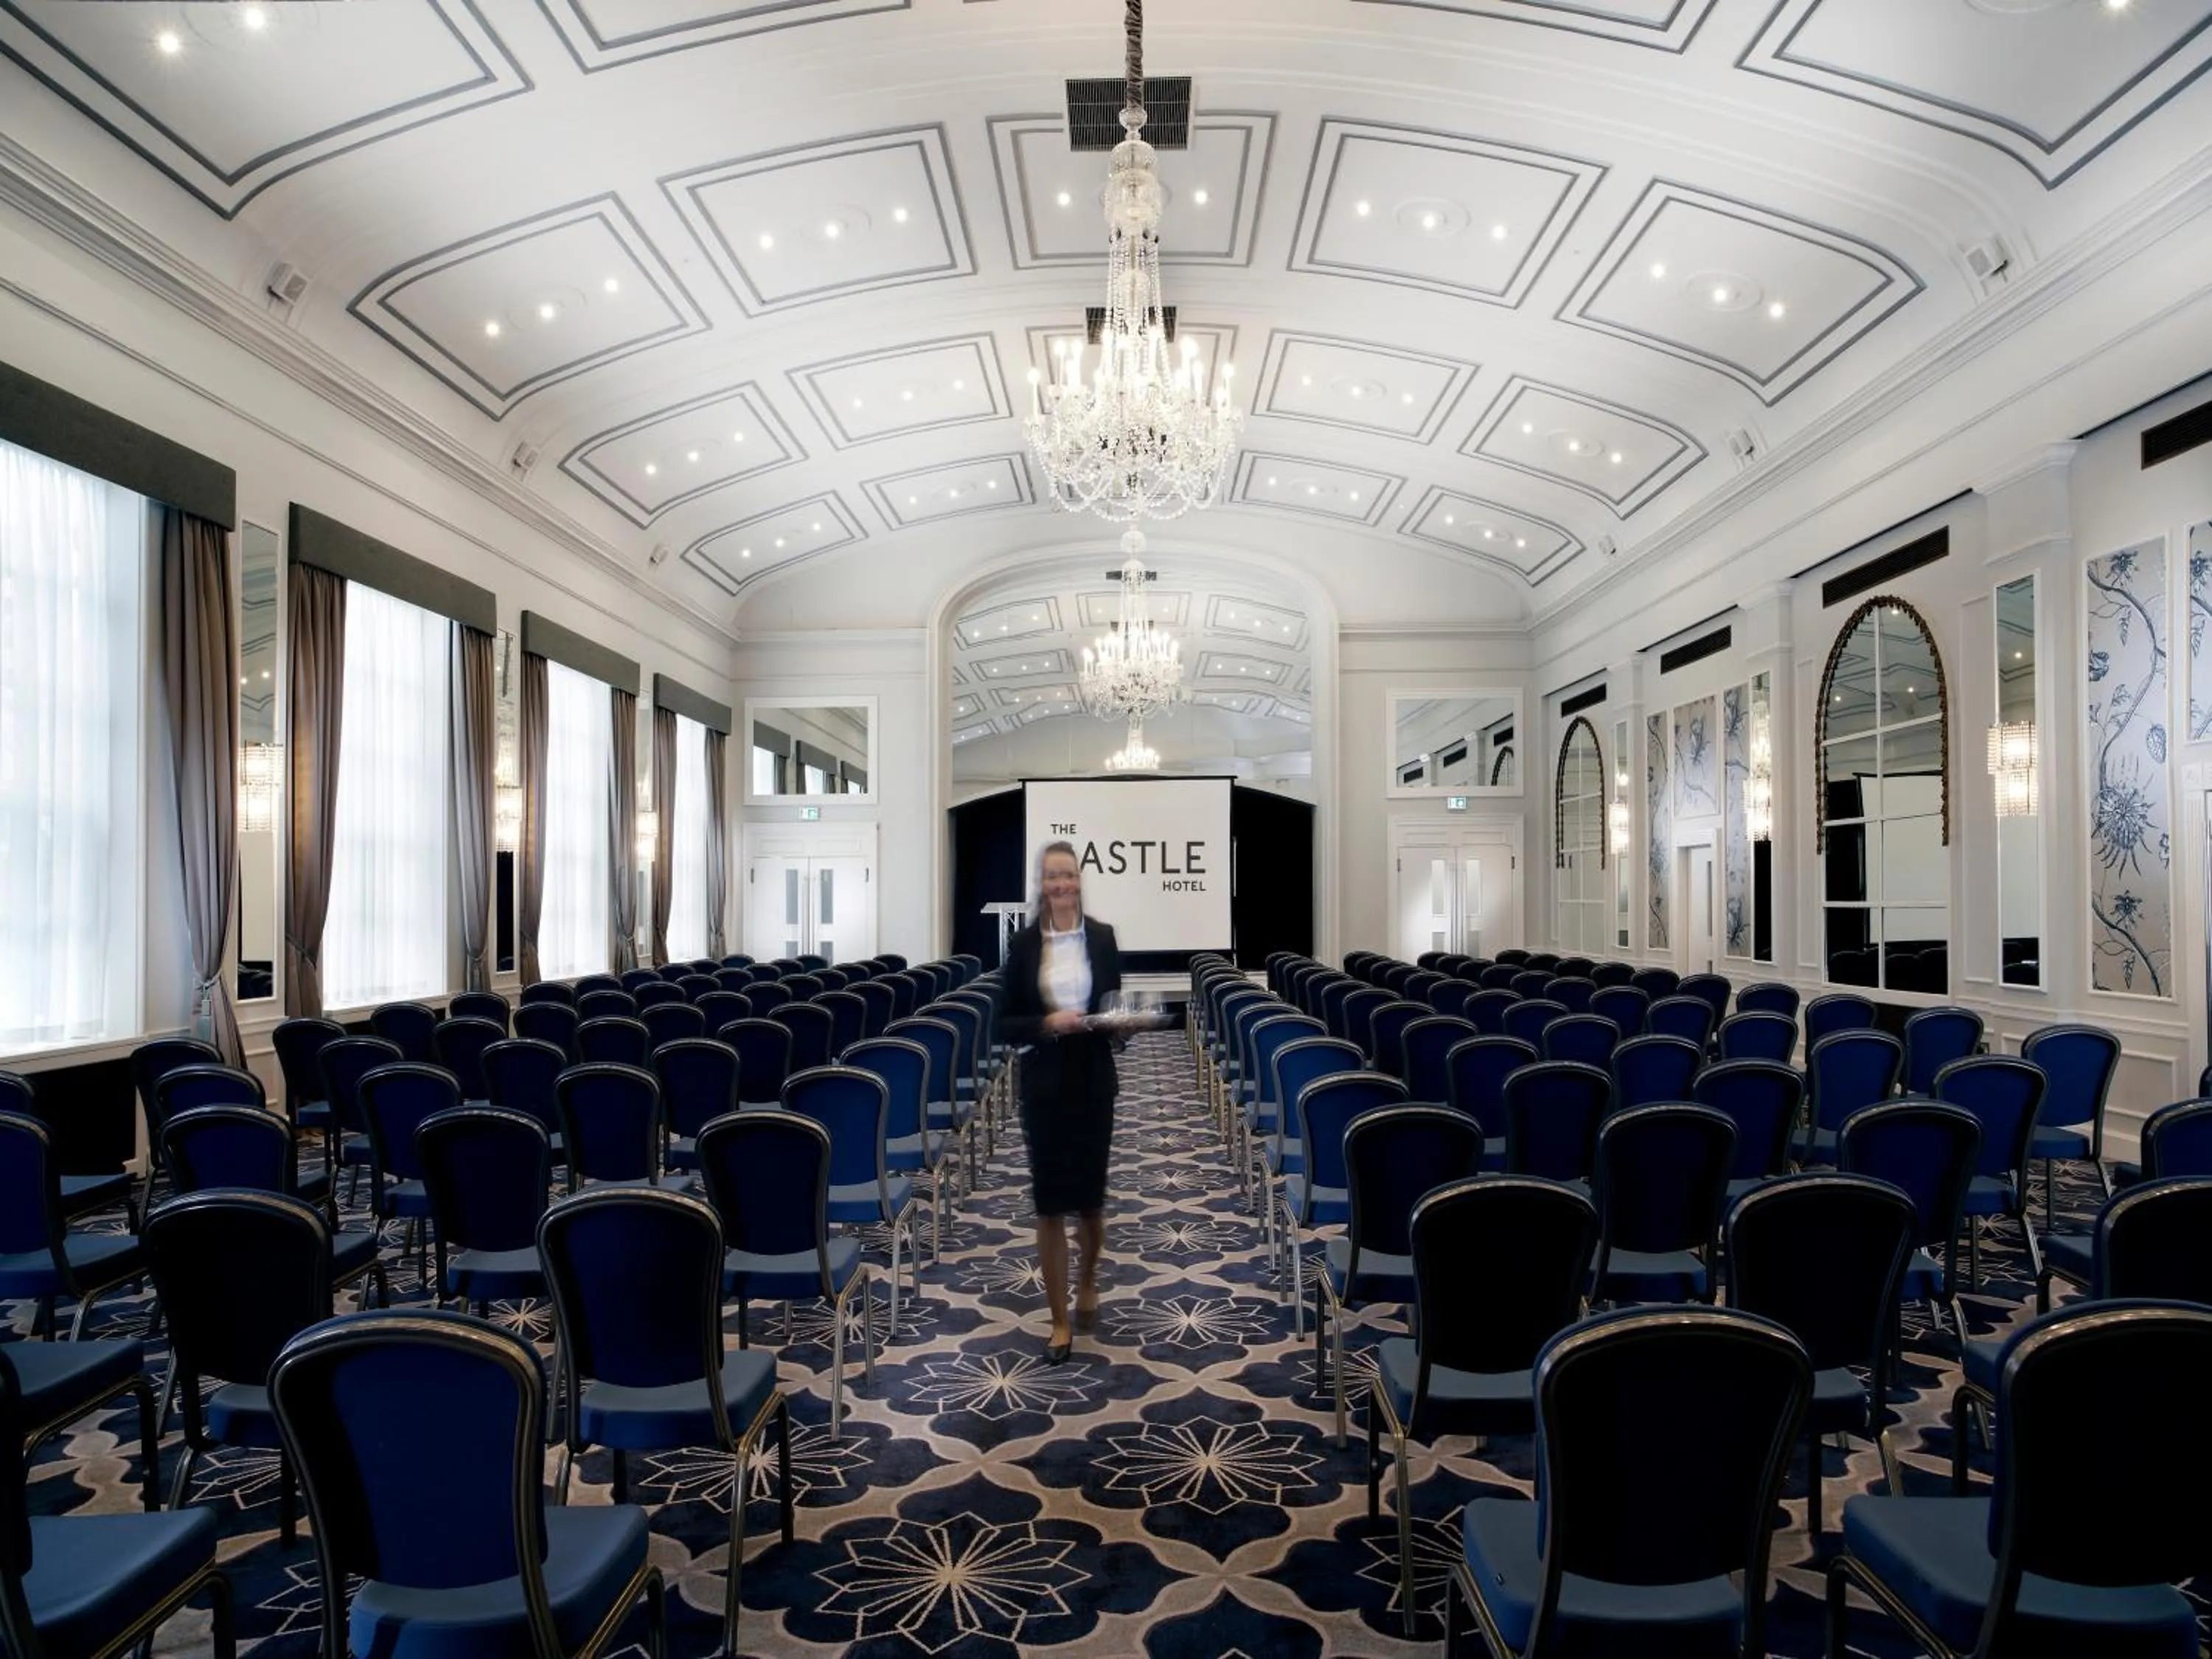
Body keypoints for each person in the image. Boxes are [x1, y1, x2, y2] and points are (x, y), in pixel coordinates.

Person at [998, 840, 1123, 1362]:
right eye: (1052, 877)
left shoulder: (1103, 937)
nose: (1062, 884)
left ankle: (1089, 1278)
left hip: (1094, 1077)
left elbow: (1114, 1003)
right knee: (1050, 1204)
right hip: (1044, 1082)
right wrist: (1046, 1023)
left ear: (1079, 878)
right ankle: (1058, 1320)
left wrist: (1121, 1027)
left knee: (1090, 1203)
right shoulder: (1024, 944)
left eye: (1068, 875)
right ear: (1041, 884)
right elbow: (1002, 1023)